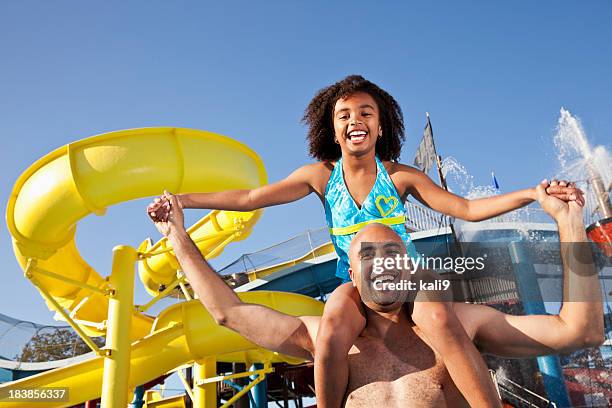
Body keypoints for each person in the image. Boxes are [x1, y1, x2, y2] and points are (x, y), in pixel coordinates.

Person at [147, 75, 584, 407]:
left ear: (381, 126)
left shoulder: (399, 176)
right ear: (333, 131)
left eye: (366, 113)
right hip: (353, 282)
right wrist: (182, 202)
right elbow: (249, 198)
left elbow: (466, 209)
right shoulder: (320, 176)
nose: (356, 120)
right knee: (334, 321)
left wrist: (531, 194)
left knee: (439, 319)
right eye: (345, 116)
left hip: (412, 276)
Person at [150, 186, 603, 407]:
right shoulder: (327, 339)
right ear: (351, 272)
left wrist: (569, 221)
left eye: (393, 252)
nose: (382, 261)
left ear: (409, 265)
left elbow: (579, 331)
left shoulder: (460, 325)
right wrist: (176, 235)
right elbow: (228, 312)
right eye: (368, 254)